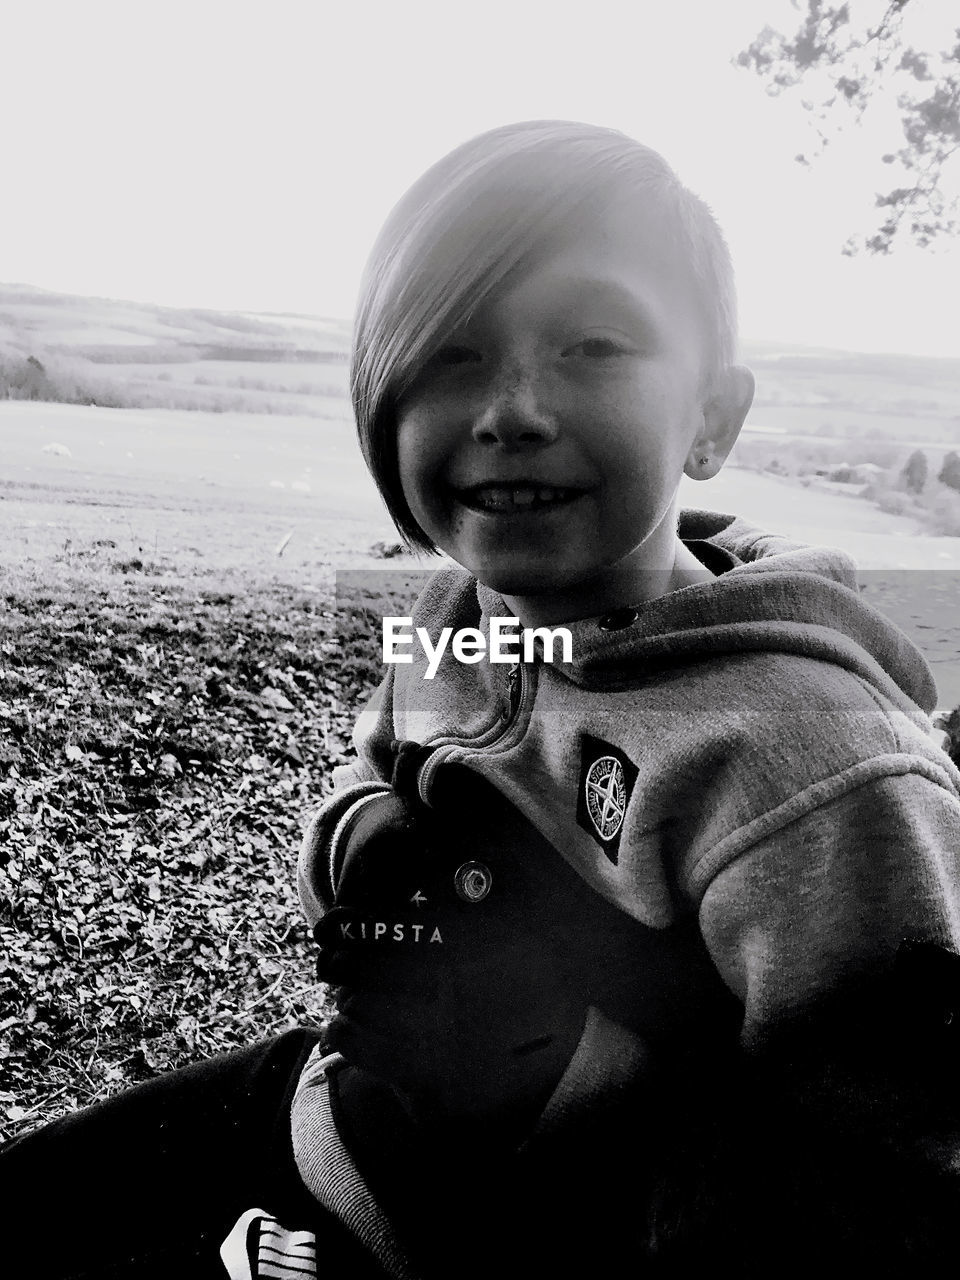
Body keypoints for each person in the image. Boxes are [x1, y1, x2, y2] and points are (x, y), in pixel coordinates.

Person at [4, 119, 960, 1278]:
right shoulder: (465, 614)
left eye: (593, 345)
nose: (511, 407)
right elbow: (364, 801)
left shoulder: (806, 765)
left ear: (712, 416)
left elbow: (889, 1179)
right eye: (450, 352)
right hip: (328, 1121)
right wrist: (383, 847)